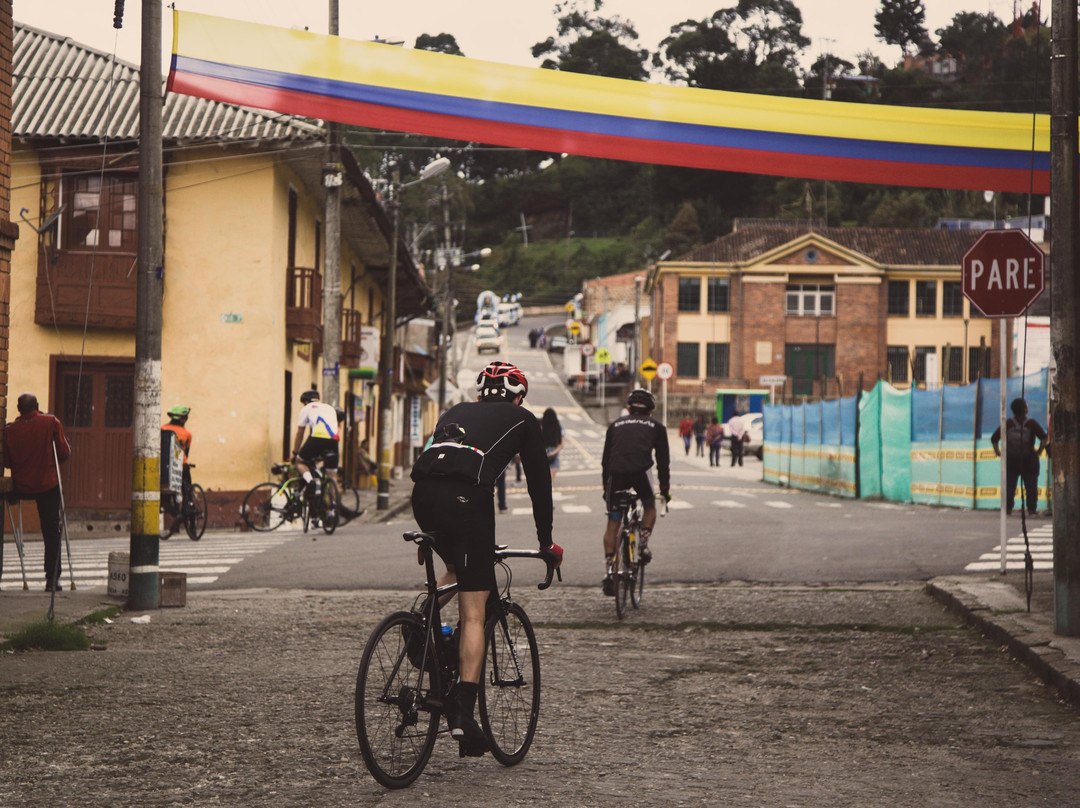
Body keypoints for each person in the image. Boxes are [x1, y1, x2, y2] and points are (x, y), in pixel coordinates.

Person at [410, 361, 564, 757]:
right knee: (475, 612)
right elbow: (539, 485)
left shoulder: (455, 410)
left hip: (422, 496)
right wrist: (546, 542)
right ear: (519, 397)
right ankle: (462, 712)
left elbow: (435, 460)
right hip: (467, 500)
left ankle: (420, 618)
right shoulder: (523, 419)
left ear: (480, 394)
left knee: (456, 569)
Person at [600, 388, 670, 594]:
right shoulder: (657, 426)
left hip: (616, 475)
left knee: (613, 522)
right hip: (640, 473)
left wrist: (605, 487)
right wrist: (665, 489)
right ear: (651, 410)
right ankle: (643, 545)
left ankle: (610, 571)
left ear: (628, 408)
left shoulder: (615, 425)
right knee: (649, 507)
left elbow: (605, 459)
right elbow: (663, 461)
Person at [3, 393, 71, 592]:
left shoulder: (9, 430)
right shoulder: (51, 422)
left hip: (21, 487)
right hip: (47, 485)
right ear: (37, 406)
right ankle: (52, 579)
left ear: (18, 408)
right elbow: (64, 452)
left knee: (50, 528)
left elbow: (7, 462)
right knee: (51, 531)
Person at [991, 397, 1048, 516]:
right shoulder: (1031, 423)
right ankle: (1031, 509)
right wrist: (1039, 451)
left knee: (1009, 485)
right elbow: (1043, 438)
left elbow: (994, 439)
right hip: (1029, 460)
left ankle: (1007, 509)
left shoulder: (1008, 423)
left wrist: (999, 452)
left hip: (1011, 460)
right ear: (1025, 409)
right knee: (1031, 485)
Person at [291, 388, 339, 494]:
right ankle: (335, 503)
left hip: (317, 438)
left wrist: (295, 452)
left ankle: (311, 482)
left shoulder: (307, 408)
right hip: (334, 441)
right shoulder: (330, 408)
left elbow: (300, 434)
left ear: (306, 402)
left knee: (300, 462)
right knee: (332, 475)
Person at [160, 405, 194, 537]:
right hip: (182, 466)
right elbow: (186, 453)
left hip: (166, 467)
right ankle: (191, 523)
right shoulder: (187, 434)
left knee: (165, 499)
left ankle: (176, 514)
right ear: (182, 419)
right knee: (188, 494)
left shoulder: (162, 429)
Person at [542, 408, 564, 483]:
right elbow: (562, 444)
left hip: (543, 453)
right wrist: (552, 453)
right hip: (554, 456)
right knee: (550, 481)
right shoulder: (559, 428)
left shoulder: (542, 427)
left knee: (543, 480)